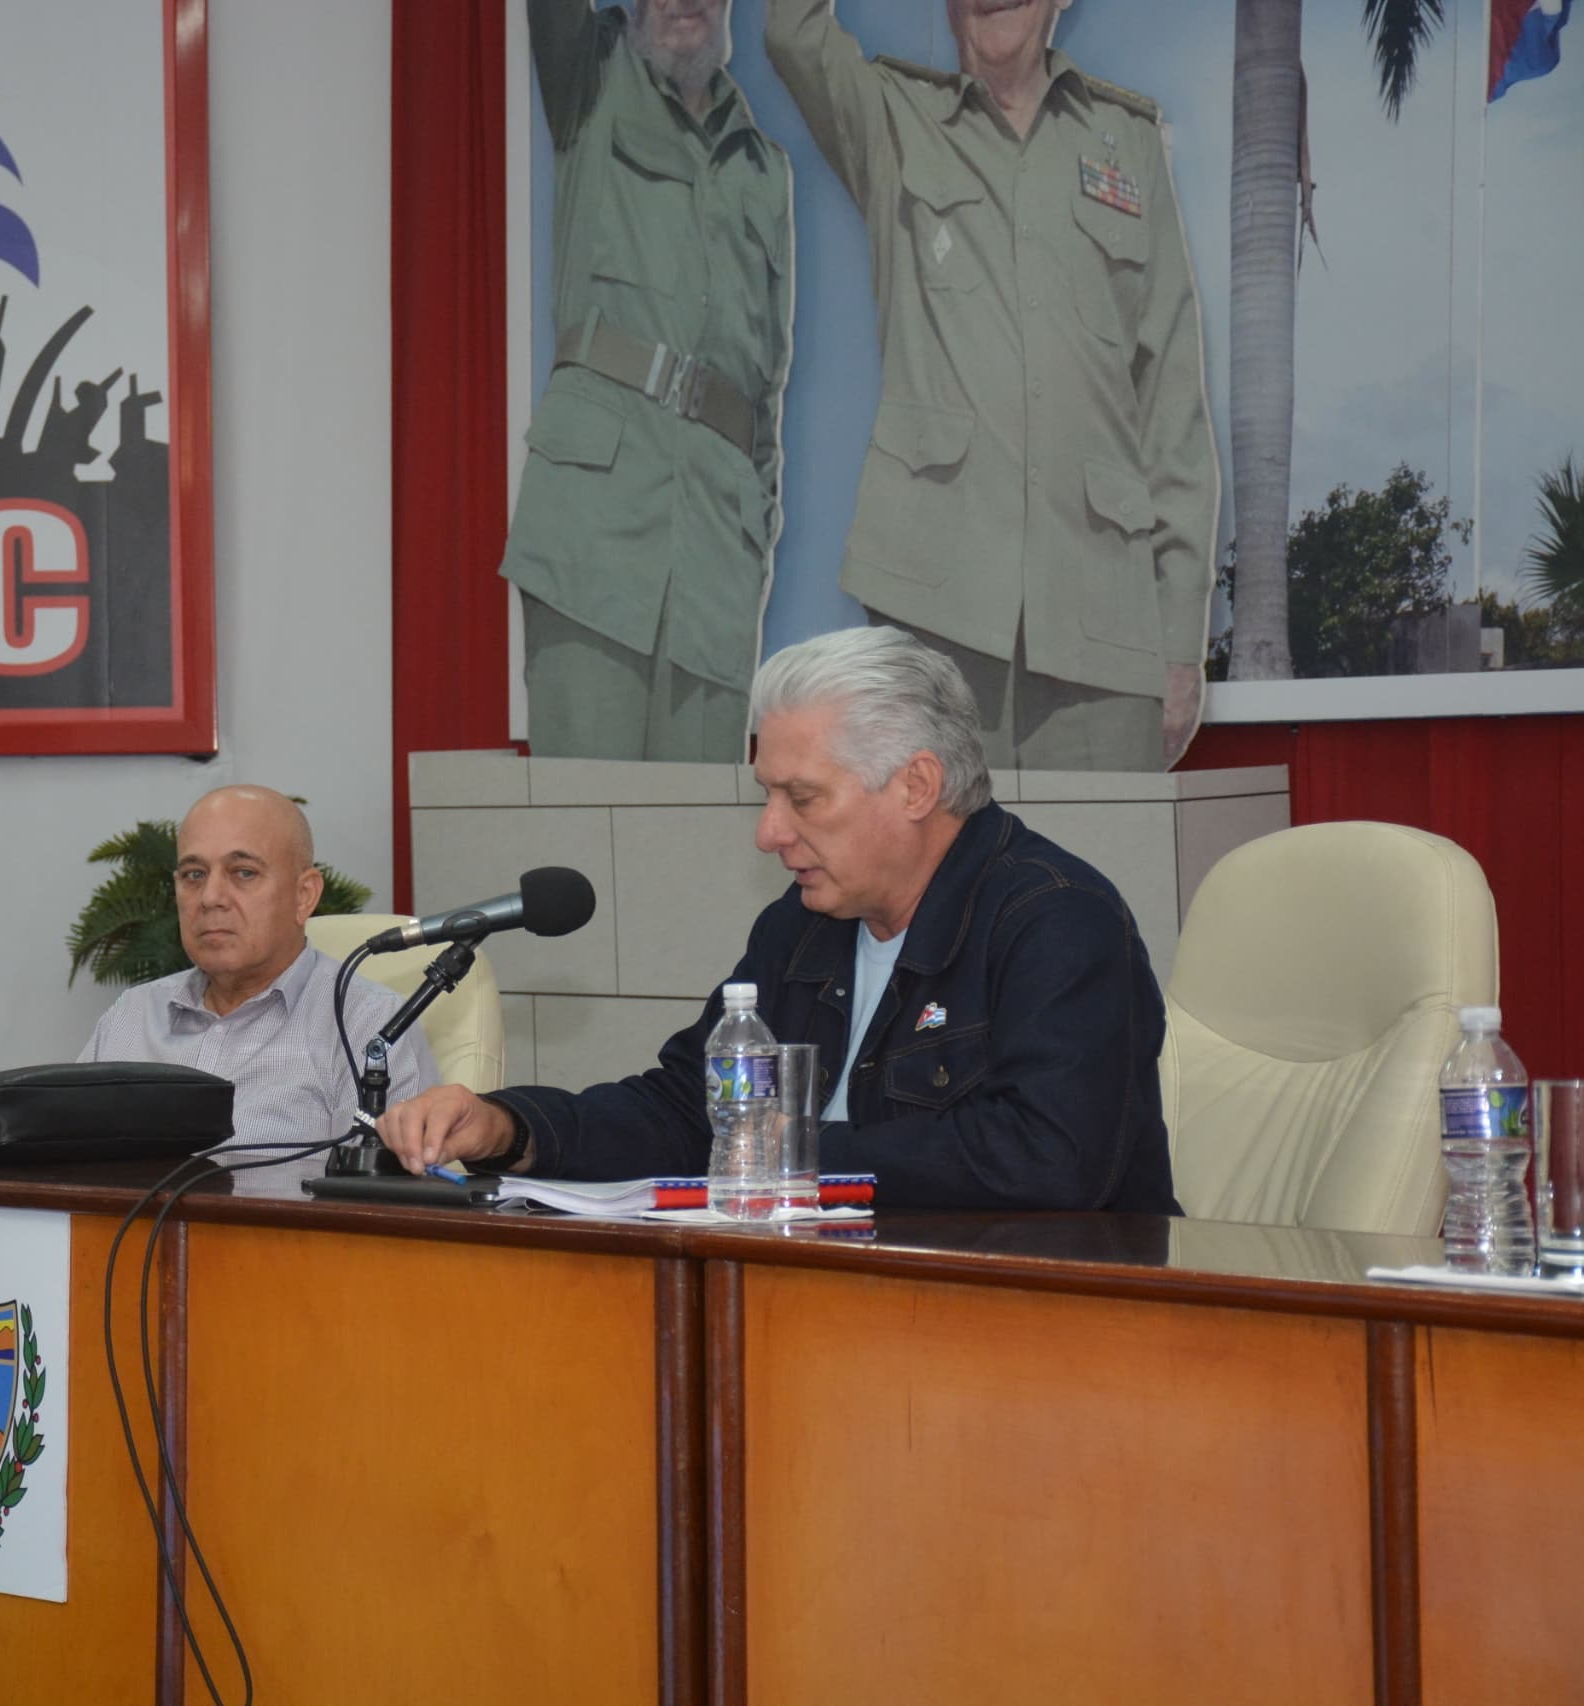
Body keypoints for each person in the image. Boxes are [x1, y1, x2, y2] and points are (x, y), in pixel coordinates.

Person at [377, 627, 1178, 1211]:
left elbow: (1048, 1161)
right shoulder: (800, 929)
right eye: (767, 796)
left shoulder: (1057, 923)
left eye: (802, 798)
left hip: (1023, 1323)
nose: (770, 833)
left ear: (916, 785)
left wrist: (781, 1156)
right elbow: (688, 1110)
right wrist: (510, 1126)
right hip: (815, 1297)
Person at [764, 0, 1218, 770]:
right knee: (940, 887)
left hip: (1101, 627)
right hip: (937, 613)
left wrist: (1178, 644)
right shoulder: (894, 117)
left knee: (1094, 884)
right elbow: (792, 32)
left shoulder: (1128, 143)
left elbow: (1171, 401)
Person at [503, 0, 795, 762]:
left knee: (688, 843)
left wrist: (753, 530)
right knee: (584, 832)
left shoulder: (764, 168)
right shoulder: (592, 81)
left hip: (715, 561)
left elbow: (768, 380)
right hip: (594, 537)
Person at [80, 786, 440, 1145]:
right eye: (194, 875)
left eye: (244, 873)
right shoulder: (131, 1016)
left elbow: (375, 1196)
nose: (210, 898)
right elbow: (63, 1168)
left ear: (304, 896)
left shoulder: (368, 1025)